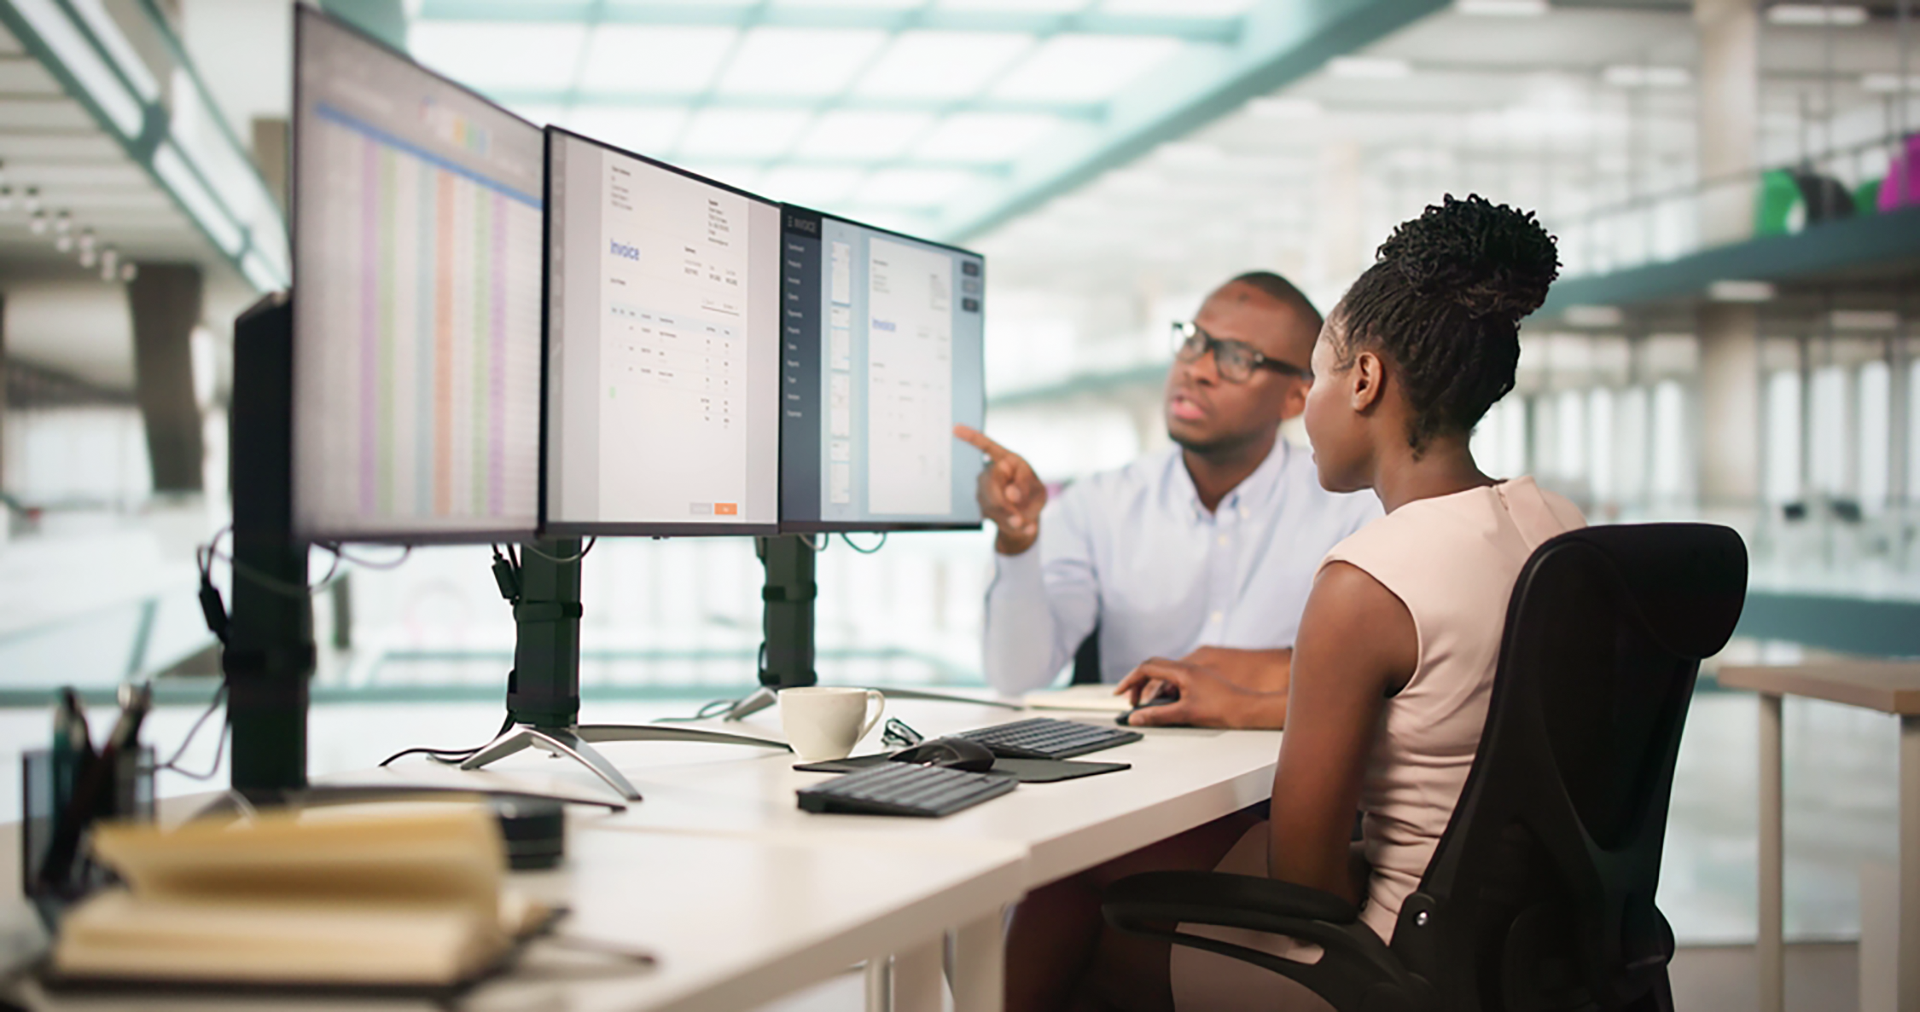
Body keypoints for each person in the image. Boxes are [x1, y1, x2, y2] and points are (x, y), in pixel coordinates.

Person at [1003, 194, 1583, 1012]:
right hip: (1529, 937)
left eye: (1317, 374)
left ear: (1366, 381)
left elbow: (1308, 884)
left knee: (1074, 916)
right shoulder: (1555, 526)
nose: (1307, 405)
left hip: (1388, 957)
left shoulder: (1366, 577)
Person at [957, 272, 1380, 702]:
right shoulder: (1100, 505)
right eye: (1194, 341)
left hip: (1273, 763)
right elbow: (1016, 677)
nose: (1196, 370)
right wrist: (1018, 541)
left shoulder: (1350, 512)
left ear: (1297, 397)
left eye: (1236, 358)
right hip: (1135, 763)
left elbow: (1372, 675)